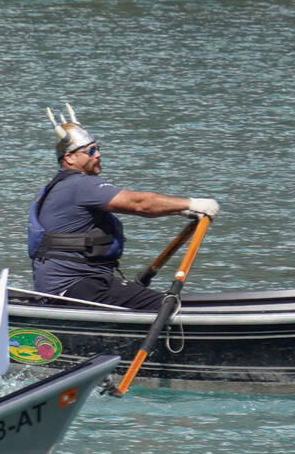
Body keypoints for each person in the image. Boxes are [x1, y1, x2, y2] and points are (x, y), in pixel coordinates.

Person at [28, 106, 220, 308]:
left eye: (98, 148)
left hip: (73, 285)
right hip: (76, 286)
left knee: (153, 300)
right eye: (91, 151)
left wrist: (182, 211)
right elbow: (140, 204)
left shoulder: (58, 186)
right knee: (168, 307)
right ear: (69, 158)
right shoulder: (80, 185)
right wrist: (191, 204)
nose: (98, 154)